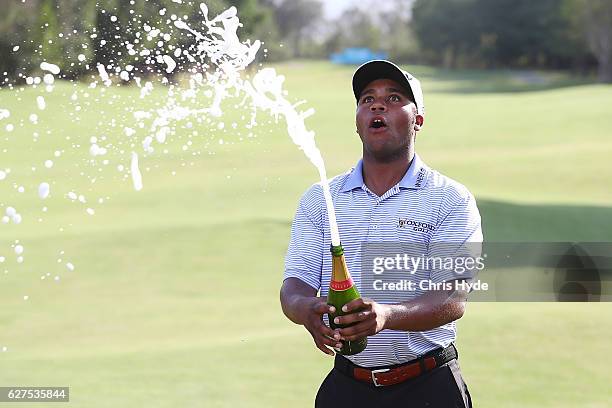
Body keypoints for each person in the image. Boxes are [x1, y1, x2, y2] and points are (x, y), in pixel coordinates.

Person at [280, 60, 482, 407]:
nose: (377, 105)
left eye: (394, 98)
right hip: (347, 387)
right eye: (367, 99)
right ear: (358, 123)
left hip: (428, 387)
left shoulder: (451, 198)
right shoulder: (321, 199)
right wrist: (304, 309)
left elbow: (452, 298)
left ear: (418, 120)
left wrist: (386, 316)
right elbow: (294, 285)